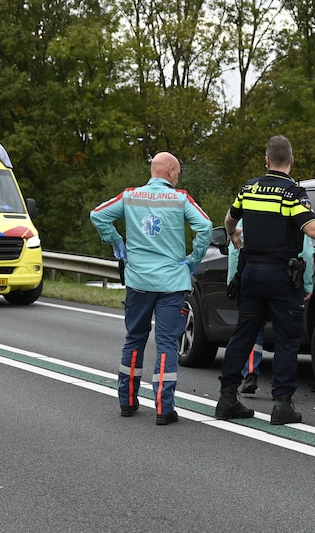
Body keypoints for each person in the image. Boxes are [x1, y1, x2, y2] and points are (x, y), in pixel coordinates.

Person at [215, 136, 315, 425]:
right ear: (291, 161)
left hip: (251, 274)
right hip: (281, 277)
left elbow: (230, 219)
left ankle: (227, 399)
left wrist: (233, 236)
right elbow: (313, 230)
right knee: (287, 339)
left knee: (242, 335)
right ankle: (282, 406)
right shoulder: (293, 194)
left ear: (266, 160)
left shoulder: (248, 189)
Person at [91, 152, 212, 426]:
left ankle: (127, 401)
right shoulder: (181, 198)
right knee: (167, 343)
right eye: (178, 171)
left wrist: (116, 242)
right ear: (170, 170)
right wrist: (193, 259)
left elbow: (97, 215)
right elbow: (204, 226)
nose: (178, 176)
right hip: (171, 283)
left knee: (134, 339)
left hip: (138, 281)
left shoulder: (130, 196)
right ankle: (163, 408)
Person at [226, 223, 315, 395]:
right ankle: (282, 394)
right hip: (284, 282)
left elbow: (235, 250)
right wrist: (307, 283)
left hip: (252, 279)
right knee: (285, 337)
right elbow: (306, 252)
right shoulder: (293, 209)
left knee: (250, 331)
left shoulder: (249, 210)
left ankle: (245, 378)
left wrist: (233, 281)